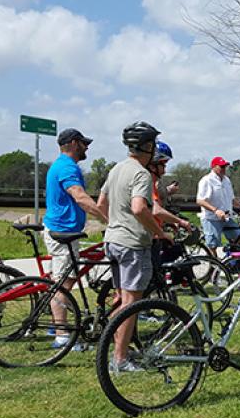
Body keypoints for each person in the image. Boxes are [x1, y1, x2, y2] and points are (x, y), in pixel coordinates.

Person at [98, 121, 173, 372]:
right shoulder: (141, 173)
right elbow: (140, 208)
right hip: (132, 244)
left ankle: (116, 348)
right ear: (149, 146)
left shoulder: (116, 169)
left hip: (112, 241)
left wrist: (115, 224)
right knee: (131, 304)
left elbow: (101, 204)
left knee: (121, 300)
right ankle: (120, 359)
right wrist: (159, 233)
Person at [43, 128, 108, 349]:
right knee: (62, 284)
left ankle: (57, 322)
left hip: (66, 230)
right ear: (72, 143)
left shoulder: (64, 165)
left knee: (62, 281)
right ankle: (61, 335)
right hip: (62, 232)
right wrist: (108, 218)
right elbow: (79, 196)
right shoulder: (66, 167)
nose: (87, 147)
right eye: (83, 143)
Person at [147, 140, 192, 267]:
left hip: (154, 232)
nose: (164, 171)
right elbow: (156, 210)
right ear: (153, 165)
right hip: (148, 236)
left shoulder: (154, 180)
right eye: (163, 165)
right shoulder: (148, 182)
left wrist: (171, 222)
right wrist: (180, 221)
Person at [196, 156, 240, 254]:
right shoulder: (207, 180)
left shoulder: (227, 180)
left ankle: (231, 262)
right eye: (221, 167)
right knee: (213, 244)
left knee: (238, 237)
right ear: (213, 167)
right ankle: (214, 264)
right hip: (211, 218)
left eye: (225, 167)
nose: (224, 169)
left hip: (226, 217)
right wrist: (215, 210)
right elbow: (200, 201)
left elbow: (231, 199)